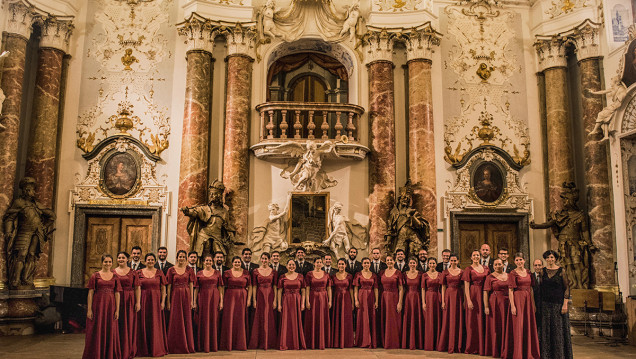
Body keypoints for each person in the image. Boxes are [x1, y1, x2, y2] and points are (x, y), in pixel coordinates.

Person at [83, 254, 121, 359]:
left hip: (110, 306)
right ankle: (96, 354)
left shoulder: (115, 276)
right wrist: (89, 309)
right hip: (98, 306)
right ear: (102, 263)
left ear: (112, 263)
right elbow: (90, 293)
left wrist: (117, 310)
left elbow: (117, 293)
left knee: (110, 328)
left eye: (109, 262)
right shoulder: (95, 276)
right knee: (97, 328)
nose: (107, 264)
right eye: (105, 262)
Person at [540, 250, 573, 359]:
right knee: (546, 330)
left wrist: (565, 304)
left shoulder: (561, 271)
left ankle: (559, 355)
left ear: (555, 258)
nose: (550, 260)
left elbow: (567, 288)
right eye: (548, 258)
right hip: (545, 305)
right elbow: (539, 288)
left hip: (558, 305)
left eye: (552, 257)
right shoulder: (542, 271)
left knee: (558, 330)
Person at [135, 253, 168, 357]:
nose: (150, 261)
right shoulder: (138, 273)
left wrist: (163, 302)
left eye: (152, 260)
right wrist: (138, 302)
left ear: (155, 261)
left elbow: (163, 288)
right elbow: (136, 288)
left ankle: (155, 348)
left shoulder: (159, 272)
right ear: (145, 261)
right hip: (143, 300)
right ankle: (143, 348)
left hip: (155, 301)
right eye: (148, 259)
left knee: (155, 323)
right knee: (142, 323)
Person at [509, 252, 540, 359]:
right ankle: (519, 353)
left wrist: (533, 303)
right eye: (517, 260)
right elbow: (510, 290)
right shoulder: (513, 273)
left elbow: (531, 288)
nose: (519, 262)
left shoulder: (528, 272)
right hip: (518, 299)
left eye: (521, 260)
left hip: (528, 300)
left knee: (528, 325)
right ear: (514, 262)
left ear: (524, 260)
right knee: (519, 325)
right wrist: (513, 305)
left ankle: (528, 352)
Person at [166, 250, 196, 354]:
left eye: (183, 257)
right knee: (176, 319)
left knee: (186, 319)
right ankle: (174, 346)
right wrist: (168, 302)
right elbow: (169, 287)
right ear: (177, 257)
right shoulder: (171, 270)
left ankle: (187, 345)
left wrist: (192, 301)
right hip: (175, 296)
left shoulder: (189, 270)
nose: (182, 258)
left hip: (186, 296)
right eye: (180, 256)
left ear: (186, 258)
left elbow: (192, 286)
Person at [483, 258, 513, 358]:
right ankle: (496, 349)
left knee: (507, 325)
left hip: (507, 302)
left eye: (499, 264)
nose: (497, 266)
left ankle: (507, 349)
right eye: (495, 265)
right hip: (495, 303)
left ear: (503, 265)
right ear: (493, 266)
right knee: (496, 325)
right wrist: (486, 306)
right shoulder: (489, 277)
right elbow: (485, 292)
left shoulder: (509, 276)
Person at [220, 256, 252, 351]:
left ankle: (240, 343)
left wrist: (249, 299)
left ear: (240, 263)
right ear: (232, 263)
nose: (237, 264)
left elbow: (249, 286)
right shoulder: (226, 273)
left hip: (242, 297)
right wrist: (222, 300)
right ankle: (228, 343)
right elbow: (222, 287)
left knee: (240, 319)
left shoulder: (246, 273)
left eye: (238, 262)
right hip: (230, 297)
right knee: (230, 318)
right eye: (235, 262)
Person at [194, 253, 224, 353]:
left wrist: (221, 302)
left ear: (213, 262)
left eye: (210, 261)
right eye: (206, 260)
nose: (208, 262)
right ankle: (203, 345)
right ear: (203, 262)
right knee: (203, 319)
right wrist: (194, 302)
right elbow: (196, 288)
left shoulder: (217, 273)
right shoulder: (199, 273)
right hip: (202, 297)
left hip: (214, 297)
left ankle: (212, 344)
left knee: (213, 319)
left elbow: (220, 287)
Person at [249, 252, 278, 350]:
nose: (264, 260)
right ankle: (259, 341)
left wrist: (275, 300)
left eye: (266, 259)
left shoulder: (274, 271)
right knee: (260, 317)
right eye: (263, 258)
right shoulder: (256, 271)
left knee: (269, 317)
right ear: (260, 259)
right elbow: (253, 286)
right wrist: (254, 299)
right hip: (260, 295)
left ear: (269, 260)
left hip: (270, 295)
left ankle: (269, 342)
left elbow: (275, 286)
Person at [463, 249, 489, 355]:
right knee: (472, 321)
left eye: (477, 255)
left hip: (484, 294)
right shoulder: (468, 269)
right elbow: (466, 286)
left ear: (480, 256)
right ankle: (472, 347)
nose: (476, 257)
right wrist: (468, 300)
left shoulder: (486, 268)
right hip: (473, 295)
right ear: (471, 257)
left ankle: (483, 347)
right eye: (474, 255)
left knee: (483, 320)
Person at [437, 254, 464, 353]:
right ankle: (447, 344)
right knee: (448, 319)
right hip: (448, 296)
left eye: (454, 260)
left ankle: (458, 345)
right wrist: (443, 301)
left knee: (458, 318)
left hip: (458, 296)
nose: (453, 262)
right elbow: (443, 287)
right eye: (451, 260)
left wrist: (464, 300)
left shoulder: (462, 272)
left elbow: (463, 287)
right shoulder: (445, 272)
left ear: (457, 261)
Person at [278, 259, 307, 350]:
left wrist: (303, 303)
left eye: (293, 265)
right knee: (286, 321)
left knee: (297, 320)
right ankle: (285, 343)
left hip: (297, 300)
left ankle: (296, 343)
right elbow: (279, 291)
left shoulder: (300, 276)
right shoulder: (282, 277)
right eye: (290, 265)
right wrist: (279, 304)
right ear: (286, 266)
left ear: (295, 266)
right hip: (286, 300)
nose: (291, 266)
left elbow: (303, 290)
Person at [304, 257, 332, 349]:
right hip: (313, 297)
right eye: (317, 262)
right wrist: (307, 300)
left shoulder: (326, 274)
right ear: (314, 263)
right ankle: (312, 341)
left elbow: (329, 288)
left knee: (322, 318)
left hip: (323, 297)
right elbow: (307, 288)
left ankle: (322, 341)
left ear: (322, 263)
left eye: (320, 262)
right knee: (313, 318)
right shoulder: (309, 274)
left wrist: (330, 300)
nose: (319, 264)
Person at [114, 252, 137, 359]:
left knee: (128, 323)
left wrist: (138, 302)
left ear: (127, 259)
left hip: (129, 299)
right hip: (116, 299)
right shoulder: (113, 272)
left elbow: (137, 288)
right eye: (119, 258)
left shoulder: (133, 272)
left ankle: (128, 349)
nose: (121, 259)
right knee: (117, 323)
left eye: (123, 258)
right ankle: (116, 348)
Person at [378, 255, 404, 349]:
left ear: (394, 261)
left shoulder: (398, 273)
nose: (389, 262)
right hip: (384, 298)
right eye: (387, 260)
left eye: (391, 260)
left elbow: (401, 288)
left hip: (394, 297)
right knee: (384, 319)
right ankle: (384, 341)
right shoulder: (381, 272)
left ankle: (393, 342)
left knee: (393, 320)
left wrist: (400, 302)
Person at [353, 258, 379, 348]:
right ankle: (361, 340)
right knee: (361, 317)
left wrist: (377, 301)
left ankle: (370, 340)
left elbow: (376, 288)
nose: (366, 264)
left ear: (370, 264)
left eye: (368, 263)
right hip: (361, 296)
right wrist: (356, 300)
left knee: (371, 317)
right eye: (365, 263)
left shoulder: (374, 275)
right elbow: (355, 288)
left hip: (371, 297)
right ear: (362, 264)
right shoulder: (358, 274)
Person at [331, 258, 354, 348]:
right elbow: (331, 289)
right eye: (339, 264)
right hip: (336, 298)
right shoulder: (333, 276)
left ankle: (347, 341)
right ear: (337, 265)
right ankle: (337, 341)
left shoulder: (349, 276)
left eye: (342, 264)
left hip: (347, 298)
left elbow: (351, 289)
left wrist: (352, 302)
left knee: (346, 318)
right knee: (337, 318)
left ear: (346, 265)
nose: (341, 266)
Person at [401, 257, 423, 349]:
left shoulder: (421, 275)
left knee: (417, 318)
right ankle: (407, 342)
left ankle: (417, 342)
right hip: (408, 298)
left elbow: (423, 288)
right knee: (408, 318)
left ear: (416, 264)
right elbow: (402, 288)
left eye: (414, 263)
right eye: (411, 263)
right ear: (408, 264)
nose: (412, 264)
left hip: (417, 298)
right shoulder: (404, 274)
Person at [422, 257, 442, 351]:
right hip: (428, 297)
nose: (432, 265)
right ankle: (429, 344)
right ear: (428, 264)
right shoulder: (424, 275)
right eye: (430, 263)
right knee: (429, 320)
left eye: (433, 263)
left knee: (437, 319)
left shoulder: (440, 274)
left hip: (437, 297)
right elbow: (422, 289)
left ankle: (437, 343)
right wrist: (423, 302)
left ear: (436, 264)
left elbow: (443, 287)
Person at [533, 258, 544, 340]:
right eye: (536, 265)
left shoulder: (546, 276)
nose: (537, 267)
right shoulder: (530, 277)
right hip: (534, 304)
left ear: (542, 266)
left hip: (545, 304)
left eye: (539, 265)